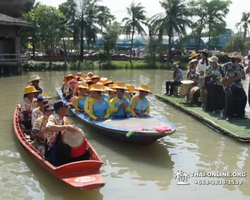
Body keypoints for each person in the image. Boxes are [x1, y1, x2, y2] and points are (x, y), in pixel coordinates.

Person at [45, 100, 88, 166]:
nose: (68, 108)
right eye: (66, 107)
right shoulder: (53, 117)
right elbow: (48, 128)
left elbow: (70, 132)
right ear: (61, 109)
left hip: (63, 146)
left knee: (86, 149)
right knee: (66, 148)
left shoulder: (65, 119)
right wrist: (65, 127)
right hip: (53, 148)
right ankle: (63, 166)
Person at [221, 52, 247, 121]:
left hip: (238, 85)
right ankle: (229, 115)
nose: (237, 60)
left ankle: (241, 114)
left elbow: (243, 77)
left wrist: (240, 77)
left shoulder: (241, 66)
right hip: (229, 84)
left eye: (238, 58)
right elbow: (221, 70)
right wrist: (225, 78)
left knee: (244, 97)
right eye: (236, 58)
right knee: (229, 96)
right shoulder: (228, 65)